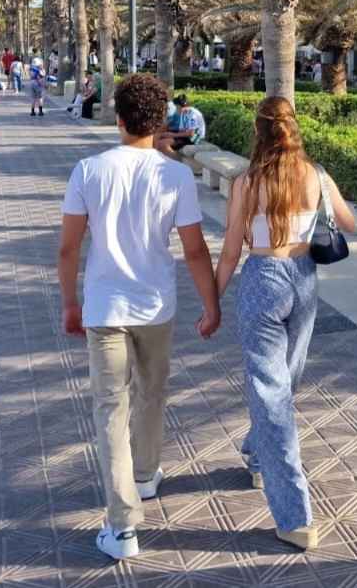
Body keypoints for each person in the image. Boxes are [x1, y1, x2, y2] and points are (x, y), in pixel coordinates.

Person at [57, 74, 219, 561]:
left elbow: (68, 248)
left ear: (120, 117)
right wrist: (211, 305)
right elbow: (193, 251)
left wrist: (69, 302)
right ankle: (146, 475)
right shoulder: (175, 176)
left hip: (105, 309)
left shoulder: (89, 170)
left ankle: (123, 524)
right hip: (156, 308)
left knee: (111, 408)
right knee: (152, 394)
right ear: (159, 120)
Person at [213, 97, 357, 551]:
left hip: (262, 279)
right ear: (294, 130)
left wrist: (211, 301)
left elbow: (232, 251)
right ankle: (268, 467)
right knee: (280, 388)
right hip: (304, 281)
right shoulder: (316, 175)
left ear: (258, 132)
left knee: (273, 392)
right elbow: (349, 222)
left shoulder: (246, 183)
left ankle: (292, 514)